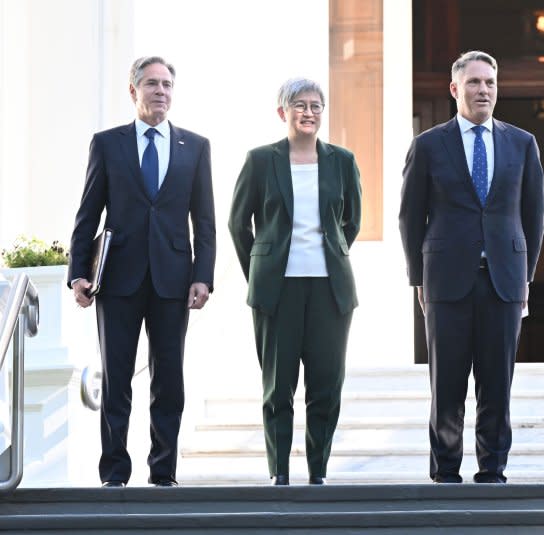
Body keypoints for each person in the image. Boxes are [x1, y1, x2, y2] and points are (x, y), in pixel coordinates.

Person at [68, 56, 216, 487]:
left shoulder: (196, 147)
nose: (161, 92)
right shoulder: (107, 144)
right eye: (151, 84)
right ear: (133, 91)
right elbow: (87, 213)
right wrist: (79, 272)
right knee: (117, 379)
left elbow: (204, 221)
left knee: (169, 379)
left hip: (173, 280)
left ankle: (163, 472)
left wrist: (202, 276)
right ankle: (114, 471)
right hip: (118, 280)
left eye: (167, 84)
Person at [399, 51, 544, 484]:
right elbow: (411, 216)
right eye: (474, 83)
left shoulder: (522, 143)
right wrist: (416, 278)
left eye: (490, 83)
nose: (483, 90)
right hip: (445, 281)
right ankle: (445, 471)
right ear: (454, 89)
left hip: (504, 280)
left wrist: (526, 277)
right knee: (446, 383)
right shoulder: (428, 145)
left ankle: (493, 468)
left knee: (496, 383)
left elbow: (534, 215)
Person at [229, 78, 361, 486]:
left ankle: (317, 471)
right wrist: (260, 268)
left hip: (330, 288)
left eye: (316, 106)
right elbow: (238, 224)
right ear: (282, 112)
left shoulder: (341, 160)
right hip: (277, 289)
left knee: (326, 384)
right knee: (277, 385)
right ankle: (279, 471)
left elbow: (351, 221)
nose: (309, 112)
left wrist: (331, 254)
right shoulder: (260, 160)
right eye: (300, 105)